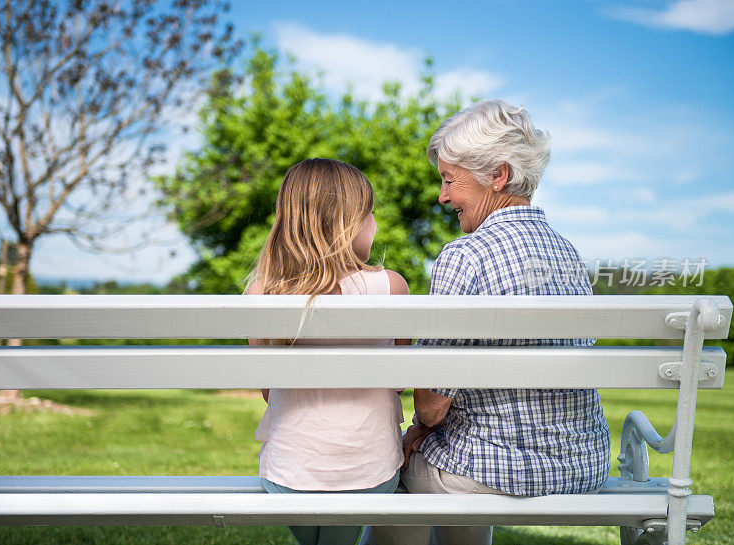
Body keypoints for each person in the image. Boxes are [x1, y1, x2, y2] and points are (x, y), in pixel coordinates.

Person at [365, 100, 611, 545]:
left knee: (392, 468)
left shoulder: (466, 255)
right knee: (452, 455)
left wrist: (421, 425)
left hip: (494, 472)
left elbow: (430, 405)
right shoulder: (568, 252)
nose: (442, 196)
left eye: (449, 180)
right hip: (582, 465)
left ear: (497, 175)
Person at [246, 158, 411, 545]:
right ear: (348, 223)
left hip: (290, 475)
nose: (376, 224)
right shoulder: (391, 286)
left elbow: (269, 391)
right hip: (370, 473)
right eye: (370, 213)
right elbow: (402, 382)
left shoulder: (261, 293)